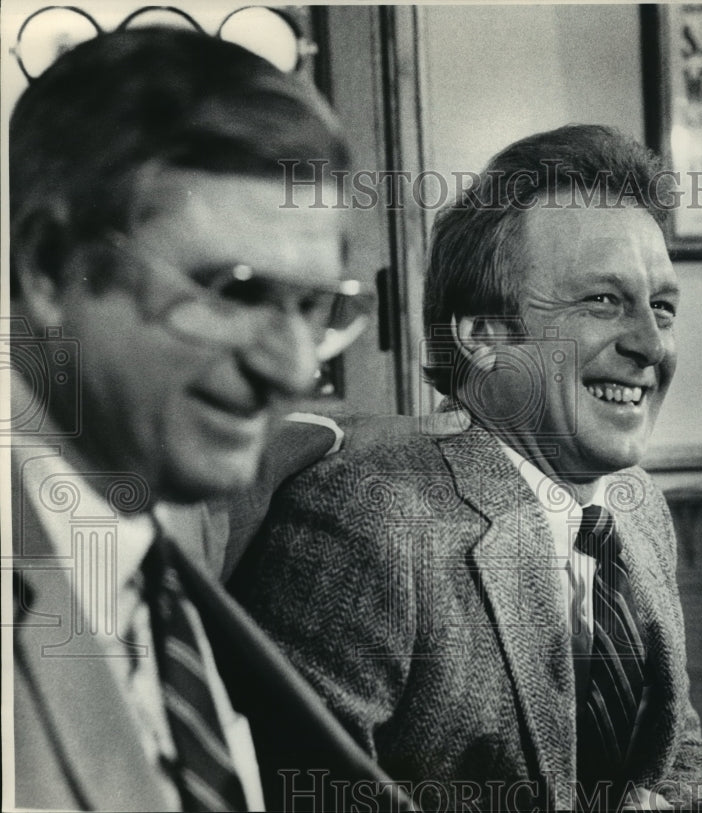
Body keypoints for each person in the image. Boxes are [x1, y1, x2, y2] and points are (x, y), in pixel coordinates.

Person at [236, 125, 702, 810]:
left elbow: (678, 755)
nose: (649, 343)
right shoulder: (370, 521)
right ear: (484, 335)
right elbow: (305, 798)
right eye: (602, 301)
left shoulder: (638, 506)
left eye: (662, 307)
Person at [7, 27, 410, 811]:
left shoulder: (162, 579)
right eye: (235, 292)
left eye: (314, 305)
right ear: (53, 264)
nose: (295, 369)